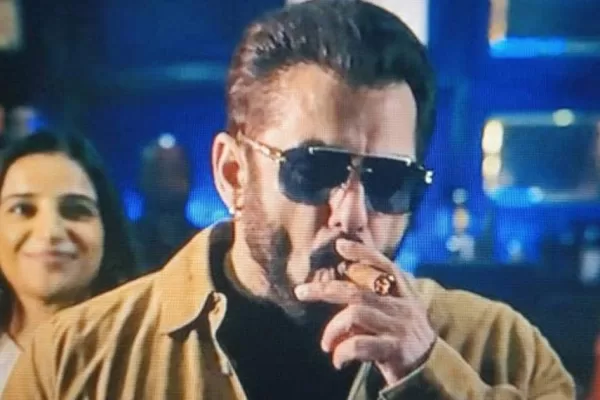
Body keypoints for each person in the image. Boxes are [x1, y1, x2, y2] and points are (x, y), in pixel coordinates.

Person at [3, 1, 574, 398]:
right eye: (314, 170)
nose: (351, 214)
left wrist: (428, 373)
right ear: (232, 173)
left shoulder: (502, 349)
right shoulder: (78, 359)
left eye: (387, 180)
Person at [0, 131, 138, 393]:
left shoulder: (150, 358)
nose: (50, 231)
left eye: (76, 209)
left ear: (107, 229)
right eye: (22, 209)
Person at [134, 135, 198, 272]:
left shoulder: (202, 245)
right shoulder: (125, 243)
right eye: (159, 172)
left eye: (176, 171)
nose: (169, 181)